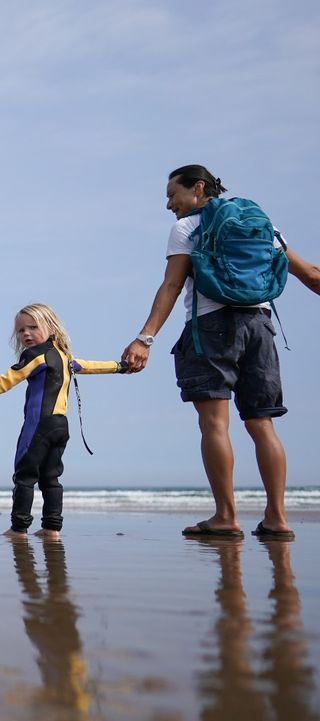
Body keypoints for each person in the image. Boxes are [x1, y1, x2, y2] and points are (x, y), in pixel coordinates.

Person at [120, 165, 294, 539]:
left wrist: (144, 338)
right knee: (262, 424)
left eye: (173, 195)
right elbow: (310, 274)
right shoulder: (265, 226)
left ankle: (226, 517)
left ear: (198, 188)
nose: (169, 204)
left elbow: (171, 285)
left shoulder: (188, 228)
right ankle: (277, 519)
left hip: (212, 328)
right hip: (261, 327)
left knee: (215, 424)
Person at [0, 304, 126, 539]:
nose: (26, 334)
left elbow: (8, 379)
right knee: (51, 477)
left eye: (33, 327)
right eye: (21, 330)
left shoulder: (36, 356)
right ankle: (52, 527)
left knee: (24, 475)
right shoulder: (65, 358)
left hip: (39, 424)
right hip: (60, 426)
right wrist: (120, 366)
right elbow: (91, 365)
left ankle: (18, 528)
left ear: (52, 328)